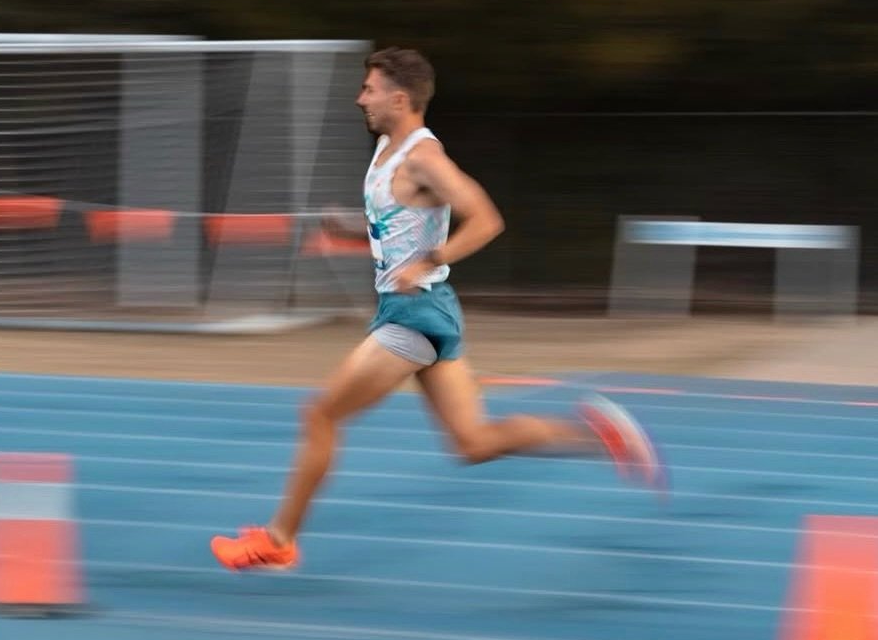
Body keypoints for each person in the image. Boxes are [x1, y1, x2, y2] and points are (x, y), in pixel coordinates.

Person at [210, 46, 663, 571]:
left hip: (414, 314)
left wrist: (428, 261)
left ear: (399, 98)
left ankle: (278, 539)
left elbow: (486, 218)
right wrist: (351, 230)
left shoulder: (424, 157)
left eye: (370, 89)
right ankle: (598, 436)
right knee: (472, 443)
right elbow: (398, 226)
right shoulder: (385, 150)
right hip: (425, 311)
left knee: (320, 415)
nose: (361, 98)